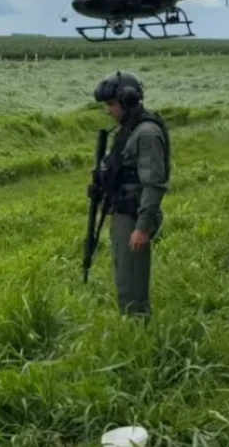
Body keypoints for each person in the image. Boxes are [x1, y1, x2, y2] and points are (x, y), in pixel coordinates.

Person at [92, 70, 171, 320]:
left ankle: (139, 333)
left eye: (112, 104)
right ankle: (131, 325)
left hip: (135, 216)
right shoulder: (128, 130)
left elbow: (154, 183)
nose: (109, 110)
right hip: (123, 213)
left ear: (127, 100)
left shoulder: (145, 133)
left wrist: (142, 226)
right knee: (123, 276)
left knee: (132, 283)